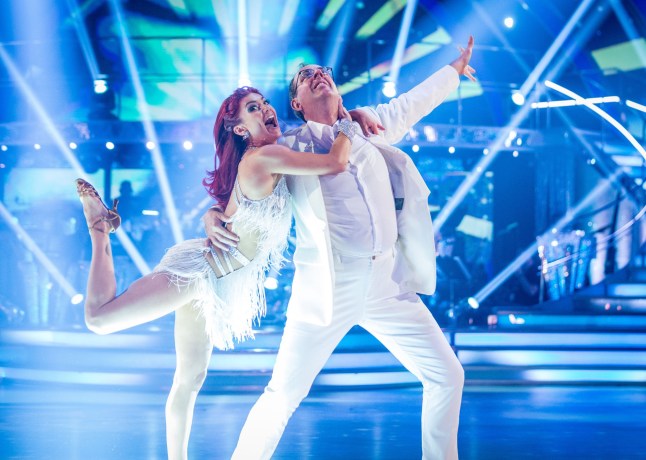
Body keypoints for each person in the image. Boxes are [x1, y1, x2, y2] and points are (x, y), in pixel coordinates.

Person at [204, 37, 477, 459]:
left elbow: (413, 103)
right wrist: (213, 215)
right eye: (306, 77)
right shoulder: (288, 147)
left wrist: (453, 72)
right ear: (296, 103)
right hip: (328, 287)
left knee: (447, 375)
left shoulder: (369, 126)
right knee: (282, 393)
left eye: (323, 72)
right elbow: (244, 190)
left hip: (387, 282)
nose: (318, 76)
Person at [75, 86, 356, 460]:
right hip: (197, 272)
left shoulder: (271, 154)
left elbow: (228, 211)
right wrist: (348, 122)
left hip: (216, 284)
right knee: (98, 320)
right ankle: (99, 229)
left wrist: (211, 215)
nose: (267, 109)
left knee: (190, 379)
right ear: (240, 129)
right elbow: (336, 162)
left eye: (266, 104)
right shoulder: (264, 157)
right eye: (253, 108)